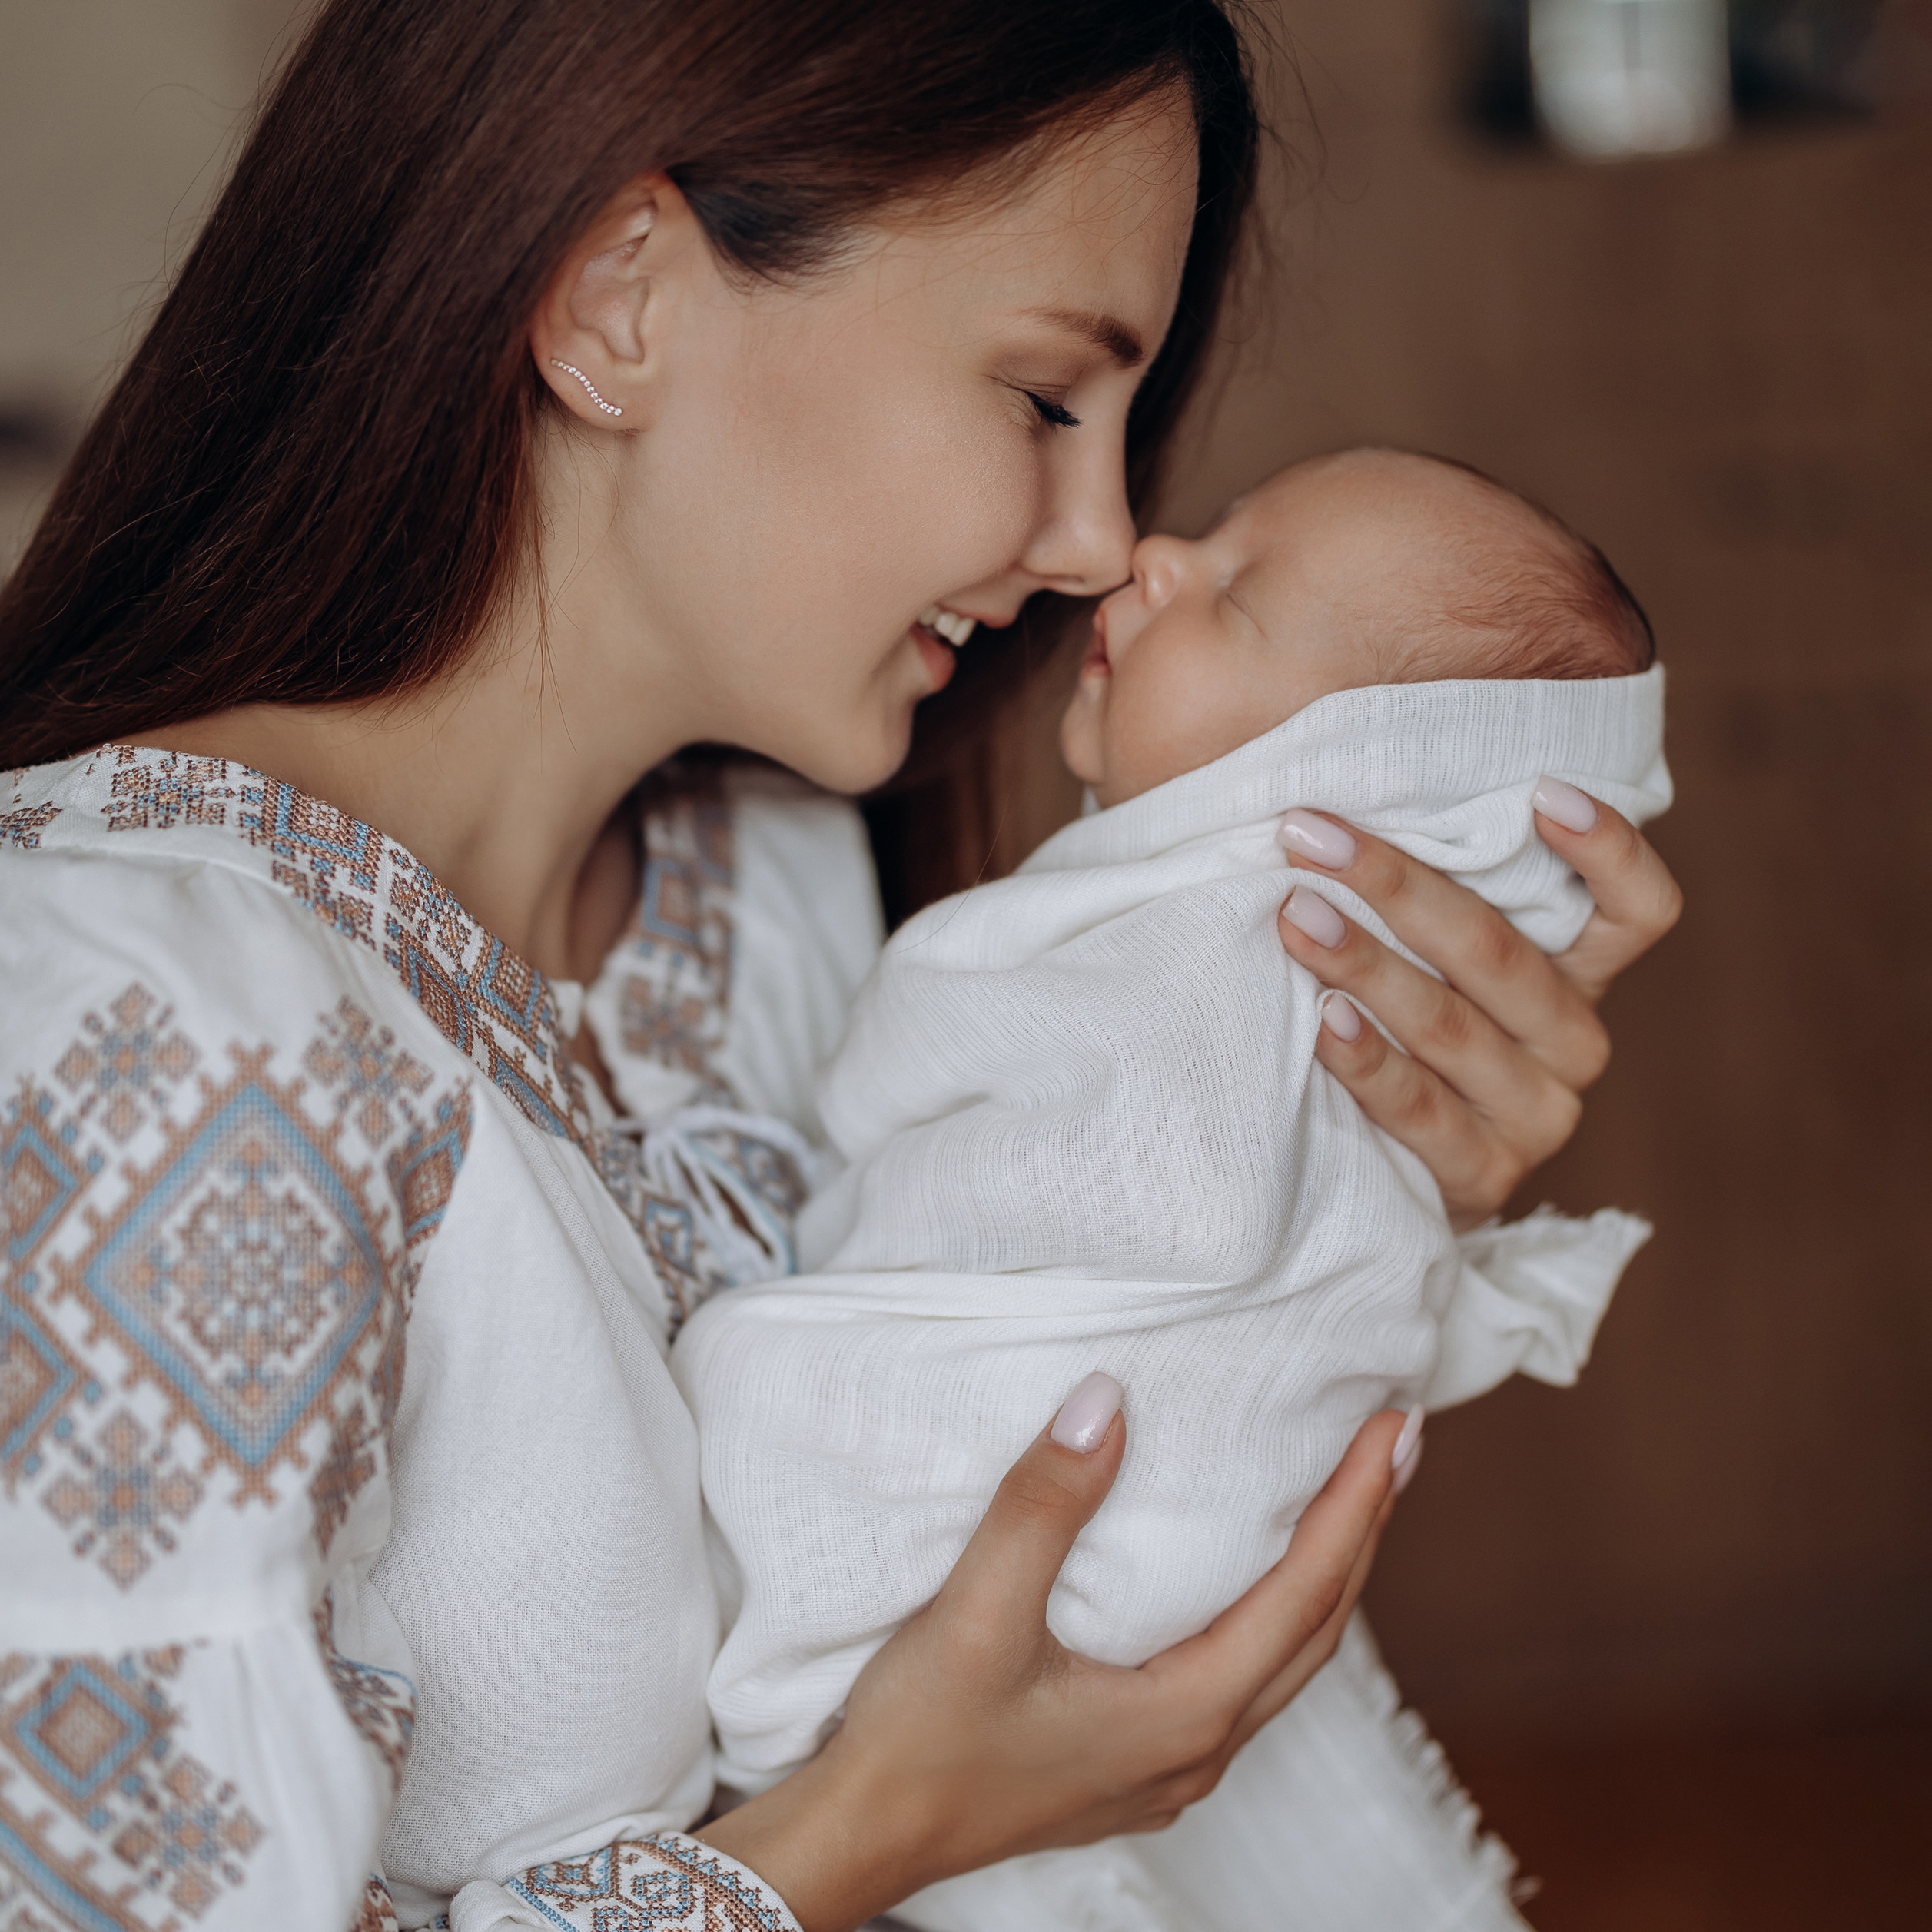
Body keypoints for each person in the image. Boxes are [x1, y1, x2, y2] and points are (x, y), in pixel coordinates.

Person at [0, 5, 1682, 1929]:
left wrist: (1340, 1192)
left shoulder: (782, 895)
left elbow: (1008, 1500)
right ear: (620, 300)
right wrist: (863, 1836)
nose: (1101, 540)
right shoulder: (132, 1024)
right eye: (1051, 398)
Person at [679, 449, 1672, 1931]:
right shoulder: (1150, 935)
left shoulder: (1228, 950)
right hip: (1026, 1644)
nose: (1142, 553)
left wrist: (1383, 1214)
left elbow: (1182, 1212)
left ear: (1345, 781)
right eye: (1208, 540)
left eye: (1237, 590)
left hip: (1096, 1546)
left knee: (756, 1386)